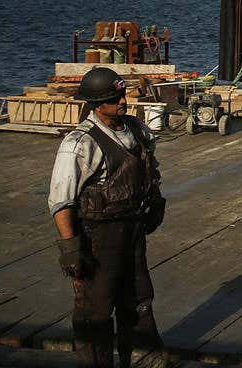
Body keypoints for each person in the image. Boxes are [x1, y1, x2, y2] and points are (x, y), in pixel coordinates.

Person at [48, 66, 167, 367]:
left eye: (122, 95)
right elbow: (61, 201)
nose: (122, 102)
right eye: (113, 99)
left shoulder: (138, 131)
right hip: (97, 239)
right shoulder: (79, 144)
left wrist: (154, 204)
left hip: (133, 232)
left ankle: (145, 360)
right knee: (95, 312)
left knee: (139, 302)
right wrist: (70, 248)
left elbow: (150, 172)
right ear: (95, 104)